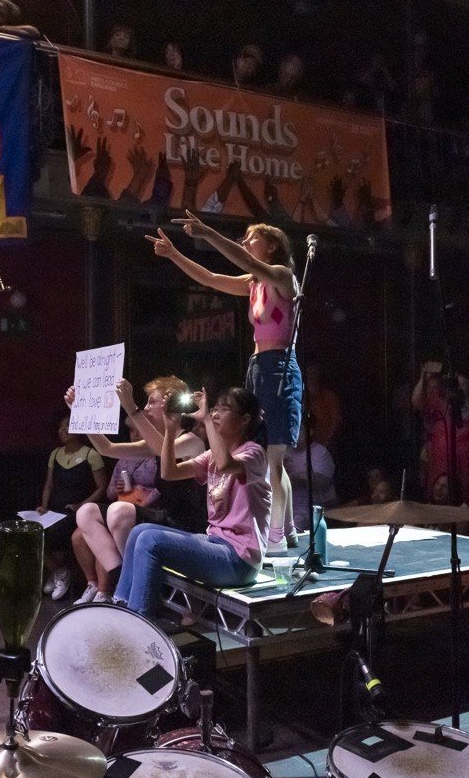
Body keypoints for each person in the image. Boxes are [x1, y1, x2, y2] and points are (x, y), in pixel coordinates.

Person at [147, 211, 301, 551]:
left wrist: (207, 234)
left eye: (252, 237)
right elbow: (211, 278)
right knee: (265, 453)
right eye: (244, 237)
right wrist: (175, 254)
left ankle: (280, 535)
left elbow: (244, 258)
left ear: (273, 244)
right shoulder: (253, 283)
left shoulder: (282, 276)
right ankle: (285, 530)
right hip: (259, 365)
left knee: (274, 456)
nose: (246, 241)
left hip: (279, 366)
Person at [115, 388, 270, 618]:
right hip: (215, 544)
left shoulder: (254, 454)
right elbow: (169, 472)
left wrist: (206, 418)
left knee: (150, 540)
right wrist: (169, 429)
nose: (216, 414)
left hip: (239, 560)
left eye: (223, 409)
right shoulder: (211, 456)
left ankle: (138, 620)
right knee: (139, 531)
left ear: (245, 419)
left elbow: (226, 464)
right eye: (214, 409)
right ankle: (121, 605)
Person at [63, 377, 206, 604]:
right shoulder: (155, 442)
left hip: (187, 523)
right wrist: (80, 412)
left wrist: (130, 405)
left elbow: (162, 449)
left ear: (170, 406)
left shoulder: (191, 441)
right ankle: (124, 581)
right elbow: (106, 448)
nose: (146, 407)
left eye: (151, 402)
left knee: (119, 511)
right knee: (85, 513)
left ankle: (134, 588)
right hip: (163, 517)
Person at [38, 414, 108, 601]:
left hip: (76, 510)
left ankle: (64, 574)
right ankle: (58, 571)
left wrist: (81, 506)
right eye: (60, 427)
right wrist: (44, 506)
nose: (63, 430)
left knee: (58, 532)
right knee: (34, 532)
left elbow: (102, 487)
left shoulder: (91, 454)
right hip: (54, 509)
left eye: (67, 425)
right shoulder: (55, 453)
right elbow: (49, 484)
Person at [413, 366, 469, 511]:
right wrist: (423, 377)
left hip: (466, 466)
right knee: (438, 499)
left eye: (462, 385)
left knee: (463, 502)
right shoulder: (441, 404)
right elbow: (417, 402)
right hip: (440, 464)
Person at [286, 420, 336, 531]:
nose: (295, 432)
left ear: (310, 432)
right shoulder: (286, 452)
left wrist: (297, 477)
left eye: (299, 429)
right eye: (292, 428)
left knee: (294, 526)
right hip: (290, 505)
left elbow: (323, 482)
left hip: (314, 507)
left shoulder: (319, 452)